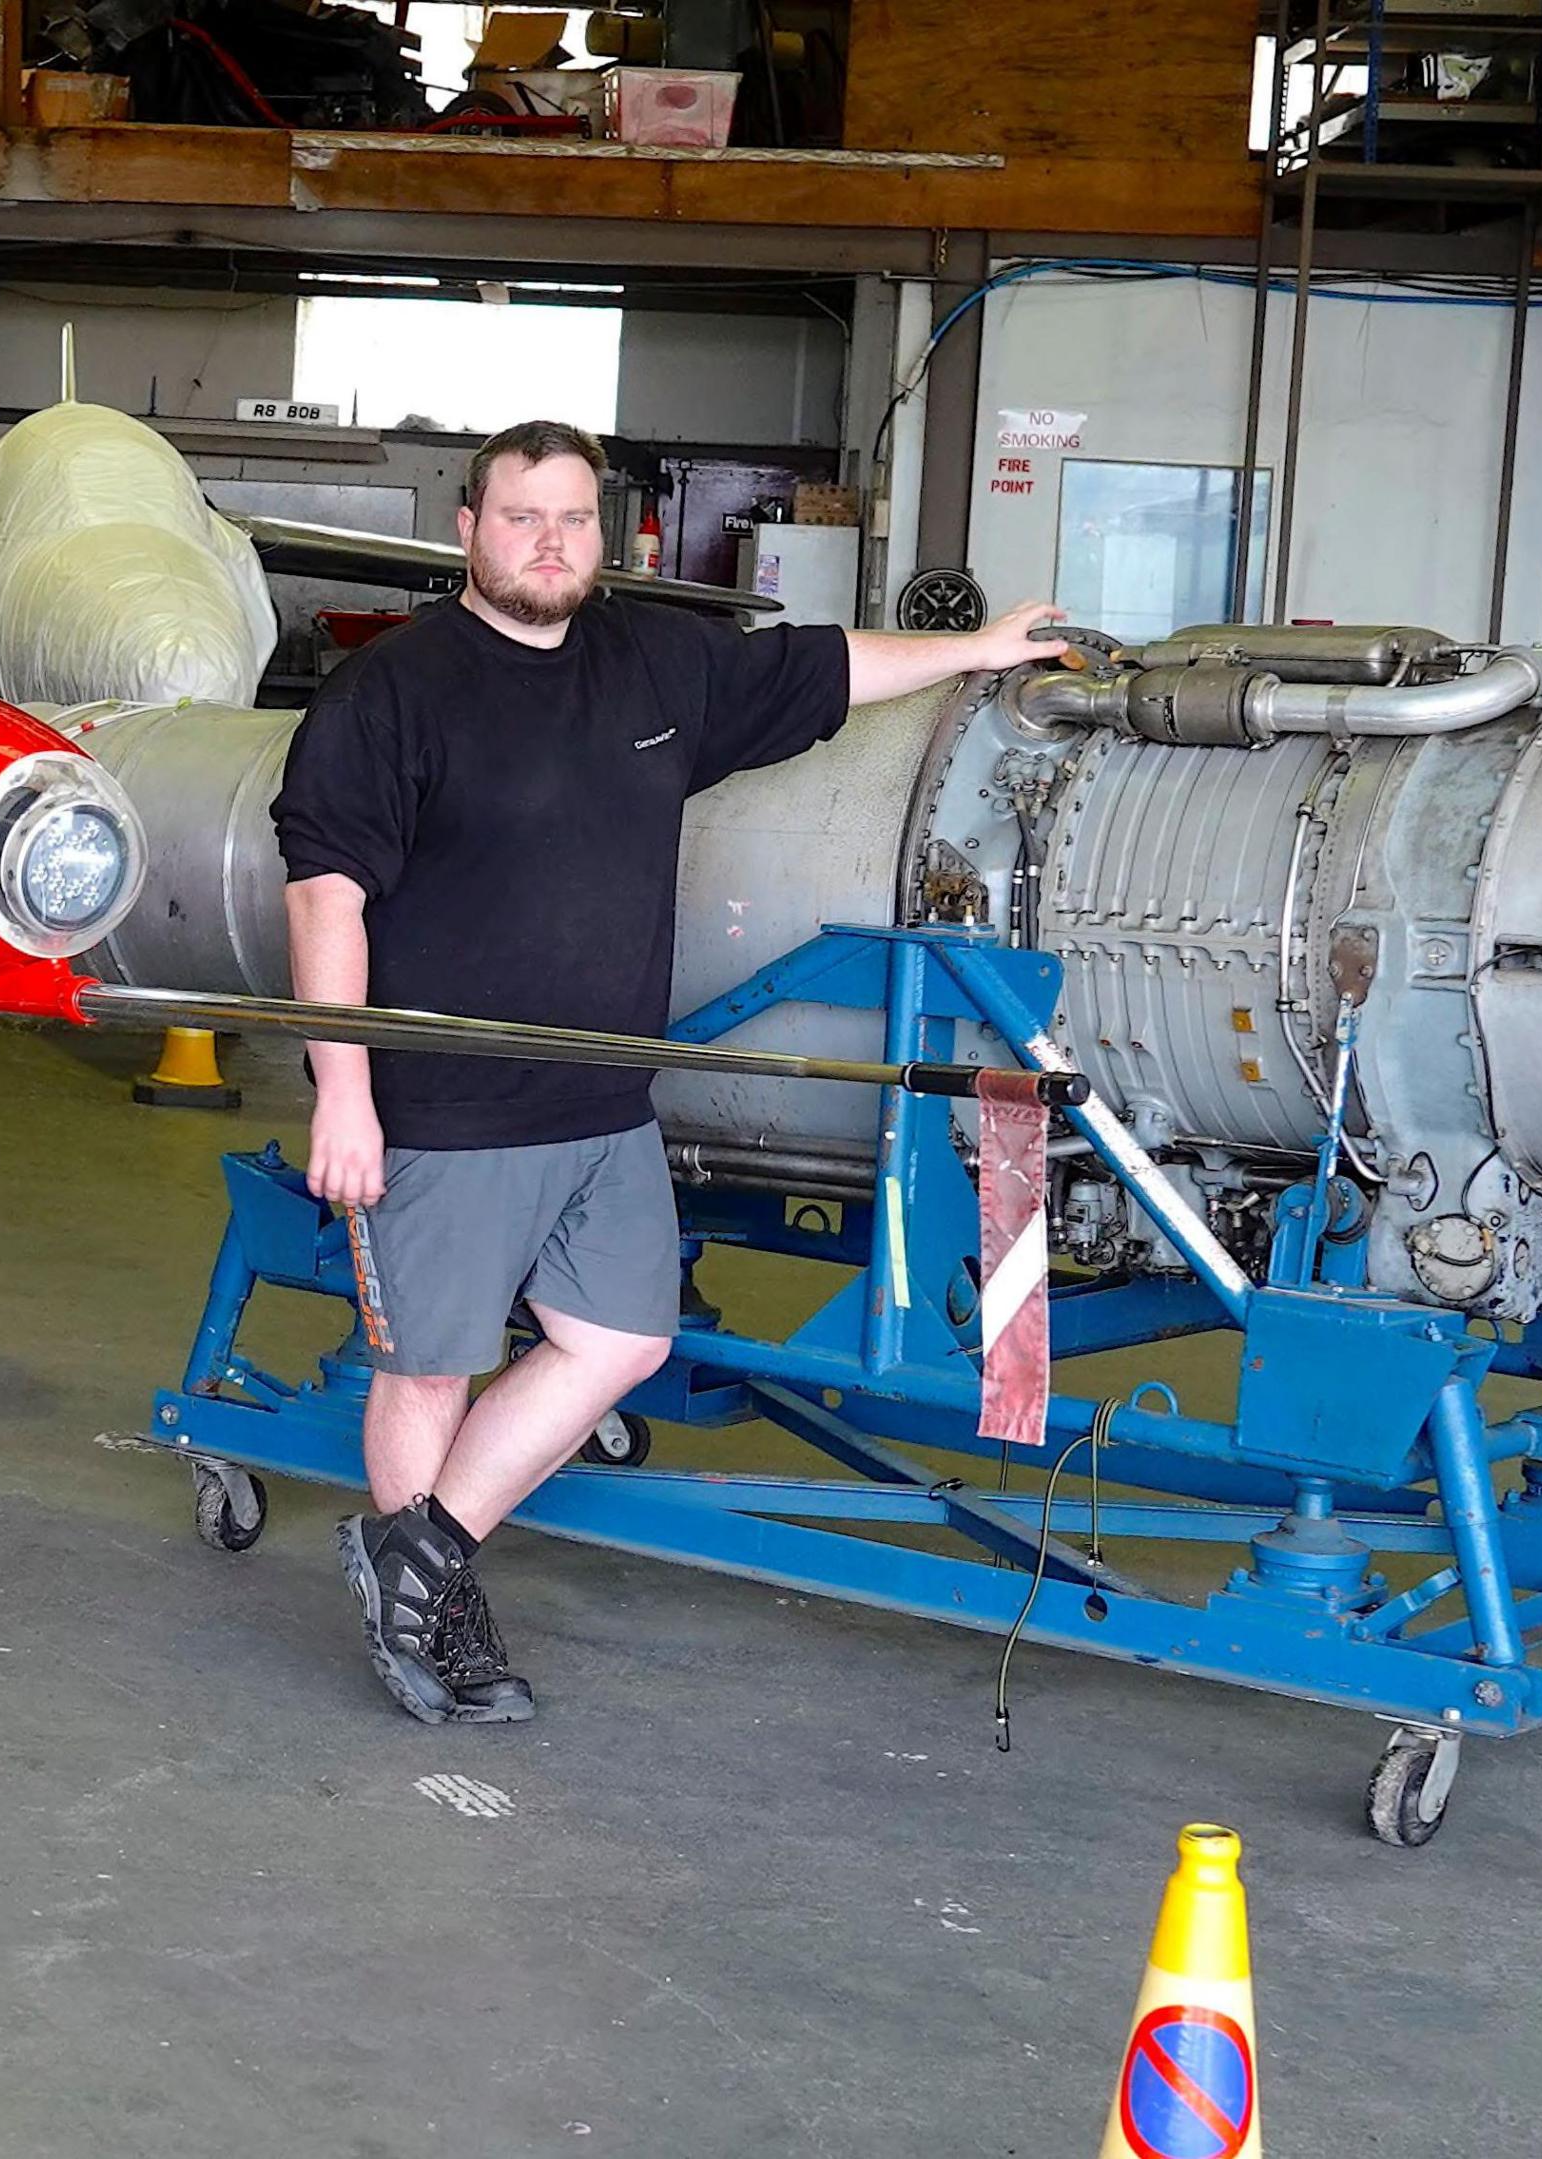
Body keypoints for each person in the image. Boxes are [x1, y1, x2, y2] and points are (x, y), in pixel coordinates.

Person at [268, 418, 1064, 1726]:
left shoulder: (653, 663)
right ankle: (433, 1613)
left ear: (607, 534)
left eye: (573, 519)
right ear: (468, 532)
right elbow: (328, 899)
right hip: (446, 1099)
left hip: (600, 1099)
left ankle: (417, 1554)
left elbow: (826, 667)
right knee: (428, 1370)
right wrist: (344, 1087)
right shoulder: (393, 692)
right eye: (521, 517)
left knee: (626, 1338)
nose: (549, 541)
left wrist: (975, 652)